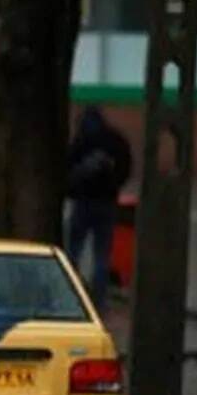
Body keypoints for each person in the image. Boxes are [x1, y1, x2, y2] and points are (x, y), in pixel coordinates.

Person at [66, 106, 131, 311]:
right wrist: (115, 187)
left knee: (72, 252)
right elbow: (126, 166)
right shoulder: (115, 140)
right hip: (107, 204)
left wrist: (73, 191)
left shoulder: (81, 141)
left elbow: (68, 167)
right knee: (102, 256)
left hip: (83, 203)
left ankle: (71, 297)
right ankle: (99, 302)